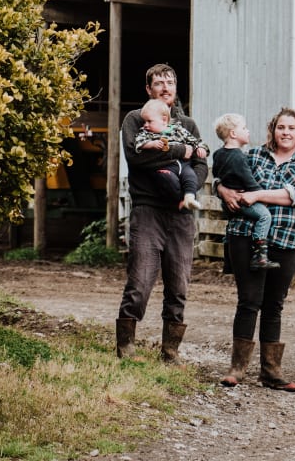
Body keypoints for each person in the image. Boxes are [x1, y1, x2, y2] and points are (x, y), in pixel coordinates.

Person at [217, 108, 295, 391]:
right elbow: (228, 179)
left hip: (286, 241)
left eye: (291, 128)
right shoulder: (252, 156)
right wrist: (220, 188)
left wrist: (257, 195)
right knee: (249, 300)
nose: (286, 132)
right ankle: (237, 368)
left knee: (274, 304)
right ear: (272, 130)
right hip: (245, 237)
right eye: (281, 127)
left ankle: (271, 371)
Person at [115, 64, 208, 364]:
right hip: (148, 210)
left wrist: (189, 189)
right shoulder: (135, 119)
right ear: (148, 89)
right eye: (159, 83)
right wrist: (183, 152)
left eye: (170, 82)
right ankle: (126, 345)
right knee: (141, 280)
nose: (166, 87)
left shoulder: (188, 124)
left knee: (179, 282)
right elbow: (136, 156)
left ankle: (170, 351)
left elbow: (202, 164)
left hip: (180, 212)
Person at [212, 113, 278, 270]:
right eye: (244, 128)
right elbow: (248, 180)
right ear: (233, 134)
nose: (248, 131)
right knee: (264, 216)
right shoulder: (239, 157)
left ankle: (228, 260)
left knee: (230, 226)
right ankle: (260, 256)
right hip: (242, 199)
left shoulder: (217, 154)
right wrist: (261, 197)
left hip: (227, 202)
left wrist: (221, 187)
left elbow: (216, 175)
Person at [133, 98, 208, 212]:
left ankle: (190, 197)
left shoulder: (178, 130)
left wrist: (201, 147)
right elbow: (138, 143)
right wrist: (151, 144)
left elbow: (194, 140)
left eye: (149, 121)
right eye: (144, 121)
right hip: (167, 166)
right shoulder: (146, 133)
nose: (145, 125)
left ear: (163, 120)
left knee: (191, 176)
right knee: (168, 179)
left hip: (184, 164)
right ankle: (179, 200)